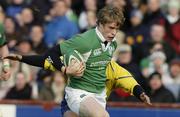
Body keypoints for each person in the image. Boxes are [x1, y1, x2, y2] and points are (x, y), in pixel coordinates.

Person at [4, 5, 137, 117]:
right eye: (111, 28)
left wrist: (139, 91)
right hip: (78, 94)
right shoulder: (83, 43)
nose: (114, 33)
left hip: (98, 97)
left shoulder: (112, 44)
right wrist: (64, 69)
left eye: (116, 29)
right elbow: (48, 57)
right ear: (100, 24)